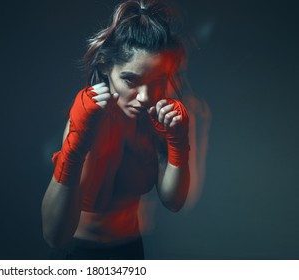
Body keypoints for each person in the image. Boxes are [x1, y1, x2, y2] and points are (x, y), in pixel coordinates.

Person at [42, 0, 191, 260]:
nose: (145, 96)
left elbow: (174, 202)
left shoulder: (157, 117)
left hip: (131, 252)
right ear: (105, 67)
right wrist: (74, 147)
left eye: (157, 82)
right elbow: (54, 236)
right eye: (131, 80)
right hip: (78, 254)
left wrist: (178, 145)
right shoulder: (89, 119)